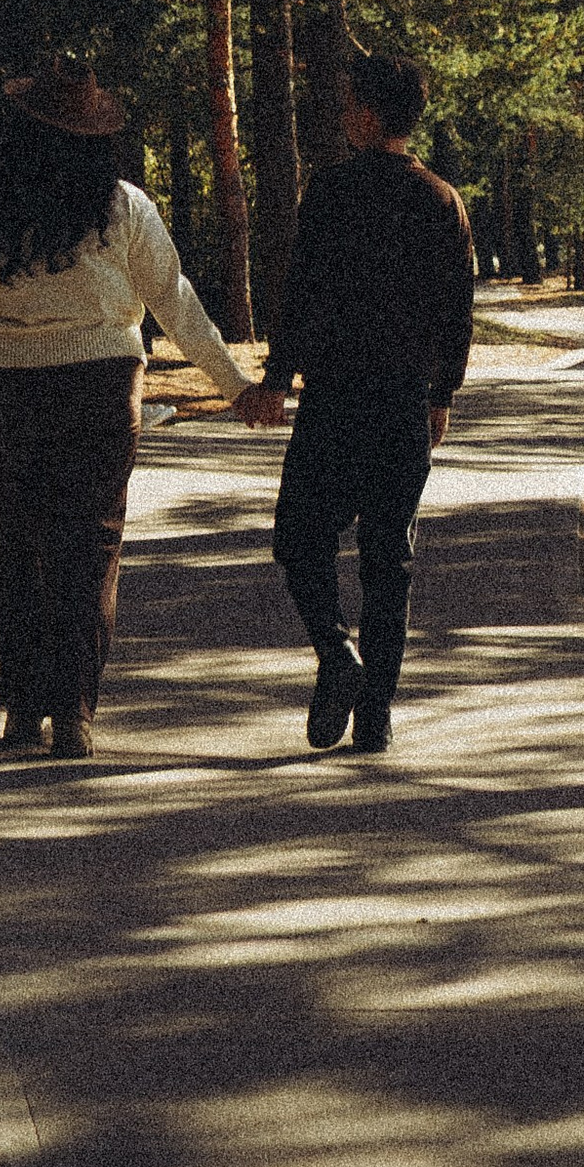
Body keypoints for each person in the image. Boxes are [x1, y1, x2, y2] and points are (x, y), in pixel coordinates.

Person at [0, 59, 250, 757]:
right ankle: (75, 712)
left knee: (21, 546)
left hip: (6, 386)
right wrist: (232, 384)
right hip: (101, 384)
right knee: (90, 547)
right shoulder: (123, 206)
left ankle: (24, 708)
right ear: (96, 136)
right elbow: (174, 300)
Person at [235, 44, 476, 756]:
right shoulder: (441, 200)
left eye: (346, 106)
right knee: (388, 559)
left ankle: (337, 656)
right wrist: (444, 392)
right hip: (403, 402)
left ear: (369, 116)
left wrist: (280, 376)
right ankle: (375, 716)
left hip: (336, 400)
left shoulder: (330, 193)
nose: (341, 117)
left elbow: (302, 295)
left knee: (299, 537)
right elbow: (455, 310)